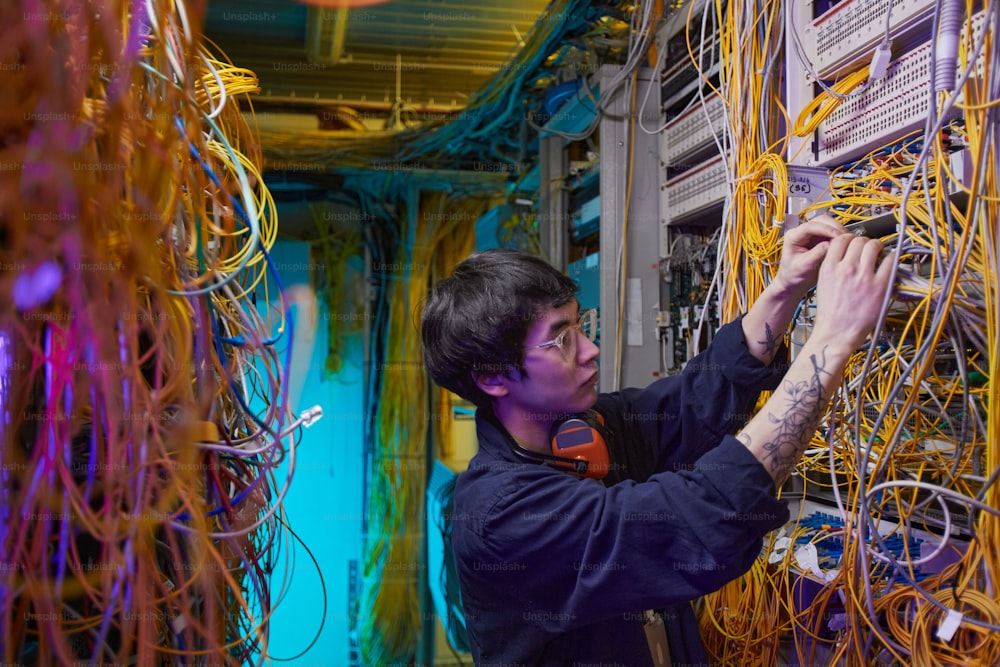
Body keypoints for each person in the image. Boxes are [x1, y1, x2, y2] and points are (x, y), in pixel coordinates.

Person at [419, 216, 894, 667]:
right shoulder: (504, 518)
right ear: (493, 378)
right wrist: (832, 339)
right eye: (561, 340)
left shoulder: (583, 430)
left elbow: (692, 403)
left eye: (580, 325)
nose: (590, 350)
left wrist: (786, 289)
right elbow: (692, 518)